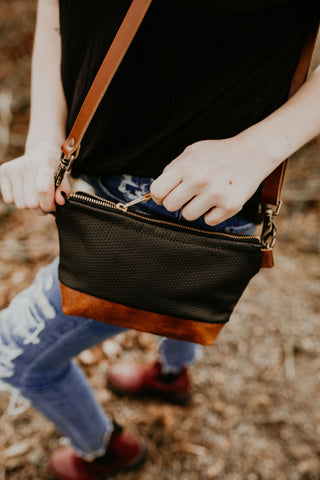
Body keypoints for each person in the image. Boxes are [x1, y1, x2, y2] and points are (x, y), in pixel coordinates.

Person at [0, 0, 319, 478]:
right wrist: (46, 139)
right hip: (104, 175)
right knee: (177, 299)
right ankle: (171, 375)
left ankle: (105, 452)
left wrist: (259, 149)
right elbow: (56, 14)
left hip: (214, 191)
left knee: (15, 354)